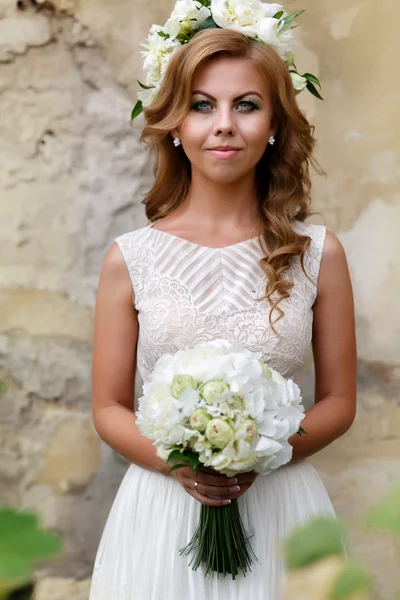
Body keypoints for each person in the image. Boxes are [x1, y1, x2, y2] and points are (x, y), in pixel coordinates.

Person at [89, 12, 357, 600]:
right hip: (162, 512)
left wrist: (258, 455)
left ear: (274, 126)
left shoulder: (318, 253)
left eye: (247, 105)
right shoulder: (130, 258)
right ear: (175, 125)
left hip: (282, 507)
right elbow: (108, 407)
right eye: (203, 104)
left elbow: (339, 402)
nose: (224, 126)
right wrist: (180, 464)